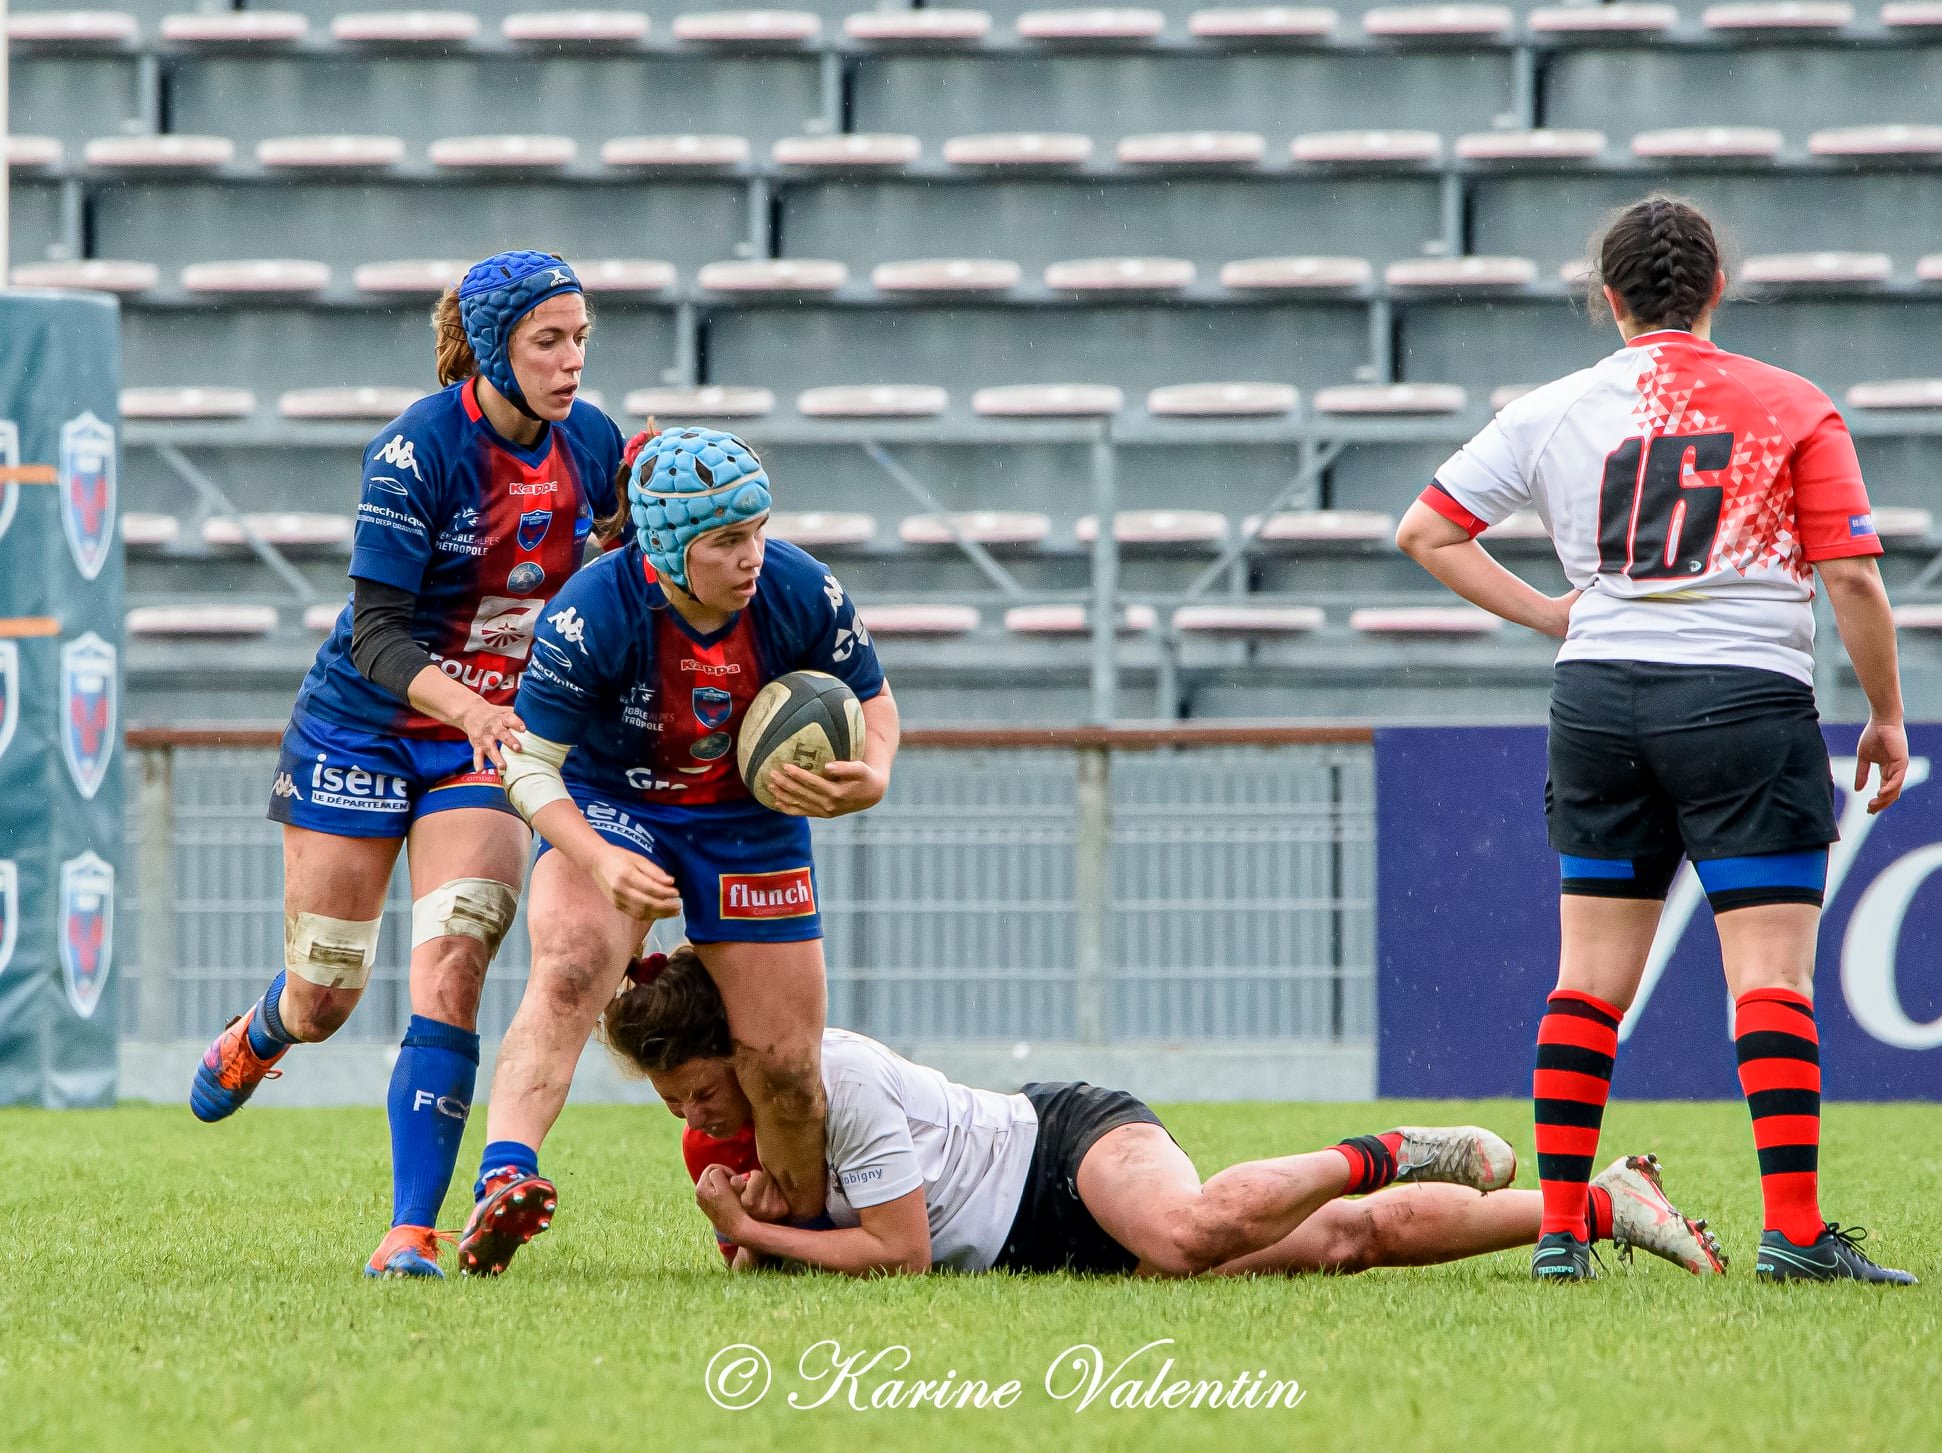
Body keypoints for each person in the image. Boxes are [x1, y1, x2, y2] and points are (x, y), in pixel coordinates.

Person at [1395, 195, 1914, 1284]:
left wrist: (1551, 611)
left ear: (1607, 297)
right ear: (1716, 289)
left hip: (1598, 703)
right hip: (1740, 699)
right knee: (1770, 977)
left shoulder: (1554, 407)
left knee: (1586, 980)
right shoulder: (1787, 402)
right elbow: (1854, 574)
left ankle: (1554, 1232)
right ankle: (1794, 1232)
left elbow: (1427, 530)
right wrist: (1885, 712)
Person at [187, 251, 626, 1280]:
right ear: (489, 350)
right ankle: (268, 1026)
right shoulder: (414, 453)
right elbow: (380, 638)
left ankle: (410, 1232)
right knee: (328, 990)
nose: (570, 364)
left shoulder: (593, 443)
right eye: (548, 343)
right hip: (364, 725)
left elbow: (617, 563)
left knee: (458, 955)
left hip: (481, 744)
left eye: (580, 341)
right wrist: (471, 700)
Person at [457, 428, 899, 1277]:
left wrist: (872, 773)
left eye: (759, 530)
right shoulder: (592, 612)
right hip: (614, 805)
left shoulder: (803, 588)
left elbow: (876, 701)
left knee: (784, 1063)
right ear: (664, 552)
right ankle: (504, 1178)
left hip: (747, 821)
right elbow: (526, 767)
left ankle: (784, 1240)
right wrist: (596, 858)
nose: (754, 556)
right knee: (572, 963)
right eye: (728, 542)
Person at [607, 946, 1725, 1280]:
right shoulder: (722, 1133)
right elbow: (788, 1266)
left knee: (1189, 1234)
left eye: (700, 1087)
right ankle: (1595, 1202)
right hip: (1032, 1254)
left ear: (745, 1050)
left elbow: (897, 1253)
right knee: (1343, 1244)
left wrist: (753, 1230)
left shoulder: (827, 1078)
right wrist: (754, 1237)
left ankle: (1381, 1147)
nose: (693, 1115)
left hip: (1058, 1147)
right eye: (671, 1104)